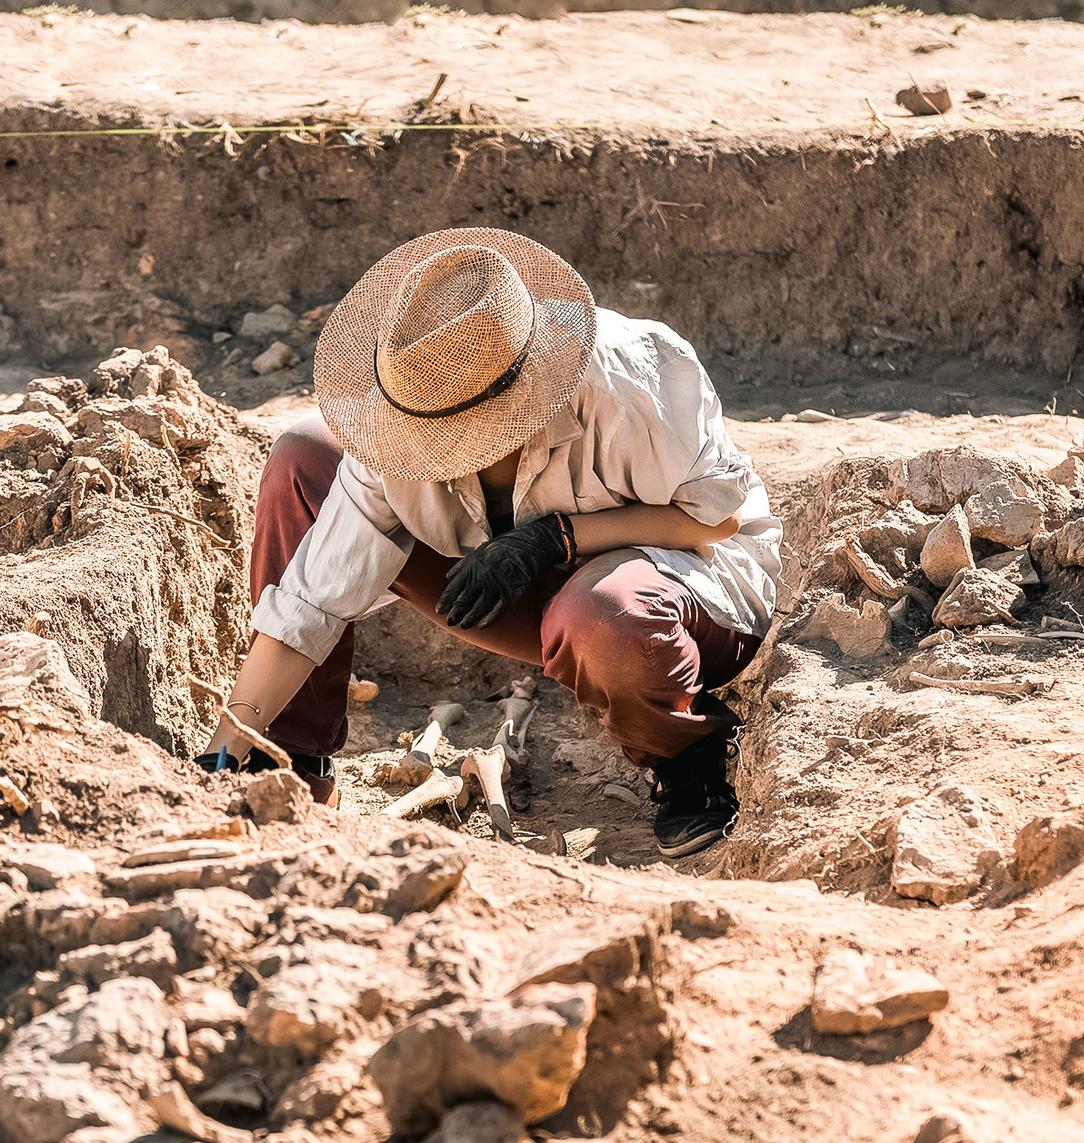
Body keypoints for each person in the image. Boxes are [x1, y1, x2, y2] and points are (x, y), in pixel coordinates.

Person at [198, 228, 782, 858]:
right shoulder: (398, 418)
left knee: (603, 611)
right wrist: (232, 739)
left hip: (682, 595)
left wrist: (555, 538)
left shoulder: (632, 378)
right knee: (305, 456)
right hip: (514, 596)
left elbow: (714, 521)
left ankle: (685, 750)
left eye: (466, 428)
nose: (440, 447)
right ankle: (287, 762)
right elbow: (314, 594)